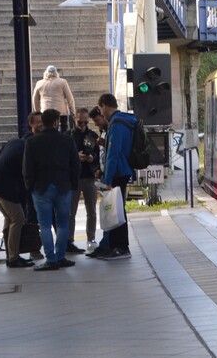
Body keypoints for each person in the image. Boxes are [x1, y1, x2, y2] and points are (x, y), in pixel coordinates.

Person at [0, 113, 44, 267]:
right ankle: (13, 258)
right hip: (2, 186)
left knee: (10, 218)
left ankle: (11, 255)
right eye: (38, 122)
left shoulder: (15, 141)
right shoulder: (28, 149)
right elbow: (25, 177)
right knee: (18, 218)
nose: (41, 125)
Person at [23, 108, 79, 270]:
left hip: (41, 188)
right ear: (55, 122)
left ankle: (51, 259)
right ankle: (61, 256)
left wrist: (30, 186)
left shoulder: (32, 142)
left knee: (45, 224)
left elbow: (27, 167)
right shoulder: (67, 140)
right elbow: (75, 164)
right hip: (63, 187)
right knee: (63, 224)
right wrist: (73, 184)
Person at [92, 93, 134, 260]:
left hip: (117, 172)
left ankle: (120, 247)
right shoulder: (125, 120)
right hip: (124, 170)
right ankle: (117, 246)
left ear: (105, 105)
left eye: (101, 109)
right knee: (118, 209)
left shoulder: (116, 124)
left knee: (116, 211)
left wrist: (108, 179)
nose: (101, 113)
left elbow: (113, 154)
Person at [69, 107, 100, 253]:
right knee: (71, 212)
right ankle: (69, 240)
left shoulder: (92, 135)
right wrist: (76, 157)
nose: (82, 124)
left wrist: (90, 158)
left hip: (89, 176)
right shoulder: (68, 136)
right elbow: (63, 156)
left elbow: (97, 155)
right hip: (74, 178)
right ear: (74, 119)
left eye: (85, 122)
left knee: (92, 211)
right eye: (80, 122)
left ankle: (91, 238)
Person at [32, 66, 75, 131]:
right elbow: (70, 98)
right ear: (56, 73)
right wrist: (72, 110)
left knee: (47, 128)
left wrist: (37, 111)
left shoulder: (39, 83)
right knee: (63, 128)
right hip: (61, 111)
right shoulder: (62, 82)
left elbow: (35, 99)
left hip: (45, 111)